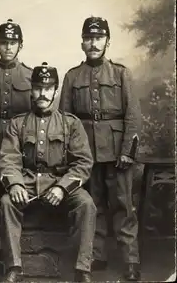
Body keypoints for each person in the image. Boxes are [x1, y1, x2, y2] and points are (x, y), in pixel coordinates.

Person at [59, 16, 142, 281]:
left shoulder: (120, 73)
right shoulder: (73, 77)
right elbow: (65, 120)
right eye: (89, 38)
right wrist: (73, 155)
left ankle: (130, 260)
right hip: (86, 153)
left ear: (108, 41)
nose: (93, 43)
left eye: (99, 38)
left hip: (117, 151)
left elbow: (133, 115)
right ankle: (97, 255)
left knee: (123, 205)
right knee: (93, 205)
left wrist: (128, 150)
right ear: (82, 42)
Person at [0, 62, 96, 282]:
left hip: (59, 182)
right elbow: (8, 160)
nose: (43, 93)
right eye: (38, 88)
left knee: (86, 204)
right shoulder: (17, 124)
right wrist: (15, 184)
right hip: (27, 183)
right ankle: (13, 266)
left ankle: (82, 269)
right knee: (6, 202)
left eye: (48, 88)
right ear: (31, 90)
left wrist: (62, 188)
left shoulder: (70, 123)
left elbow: (83, 162)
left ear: (55, 91)